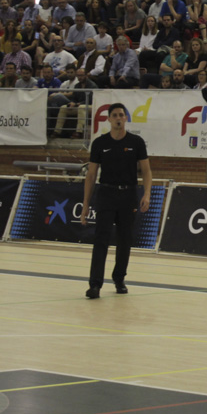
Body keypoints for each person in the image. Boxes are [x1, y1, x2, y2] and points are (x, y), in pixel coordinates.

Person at [81, 103, 152, 299]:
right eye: (115, 115)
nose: (118, 118)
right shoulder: (99, 143)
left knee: (125, 241)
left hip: (128, 195)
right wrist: (86, 204)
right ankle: (95, 284)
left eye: (121, 114)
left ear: (126, 118)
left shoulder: (136, 142)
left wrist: (147, 194)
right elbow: (92, 175)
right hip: (106, 194)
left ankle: (119, 278)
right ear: (109, 119)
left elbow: (146, 171)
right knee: (101, 240)